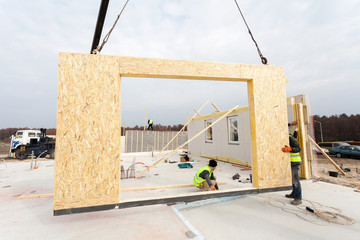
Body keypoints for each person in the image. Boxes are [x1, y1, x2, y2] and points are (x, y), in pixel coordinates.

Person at [282, 122, 302, 205]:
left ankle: (298, 198)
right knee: (293, 180)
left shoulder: (290, 138)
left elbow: (298, 148)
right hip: (290, 162)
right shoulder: (287, 138)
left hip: (295, 162)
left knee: (295, 180)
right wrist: (292, 124)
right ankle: (294, 193)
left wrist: (290, 149)